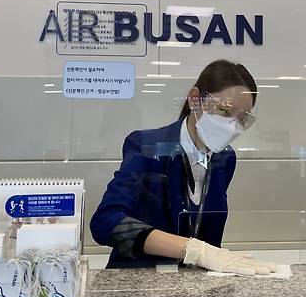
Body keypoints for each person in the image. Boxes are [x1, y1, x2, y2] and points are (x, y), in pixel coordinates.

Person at [90, 59, 277, 275]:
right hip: (138, 283)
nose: (232, 126)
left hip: (192, 289)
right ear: (195, 99)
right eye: (225, 110)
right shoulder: (147, 146)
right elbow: (106, 222)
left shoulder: (225, 159)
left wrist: (211, 258)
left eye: (242, 119)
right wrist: (194, 250)